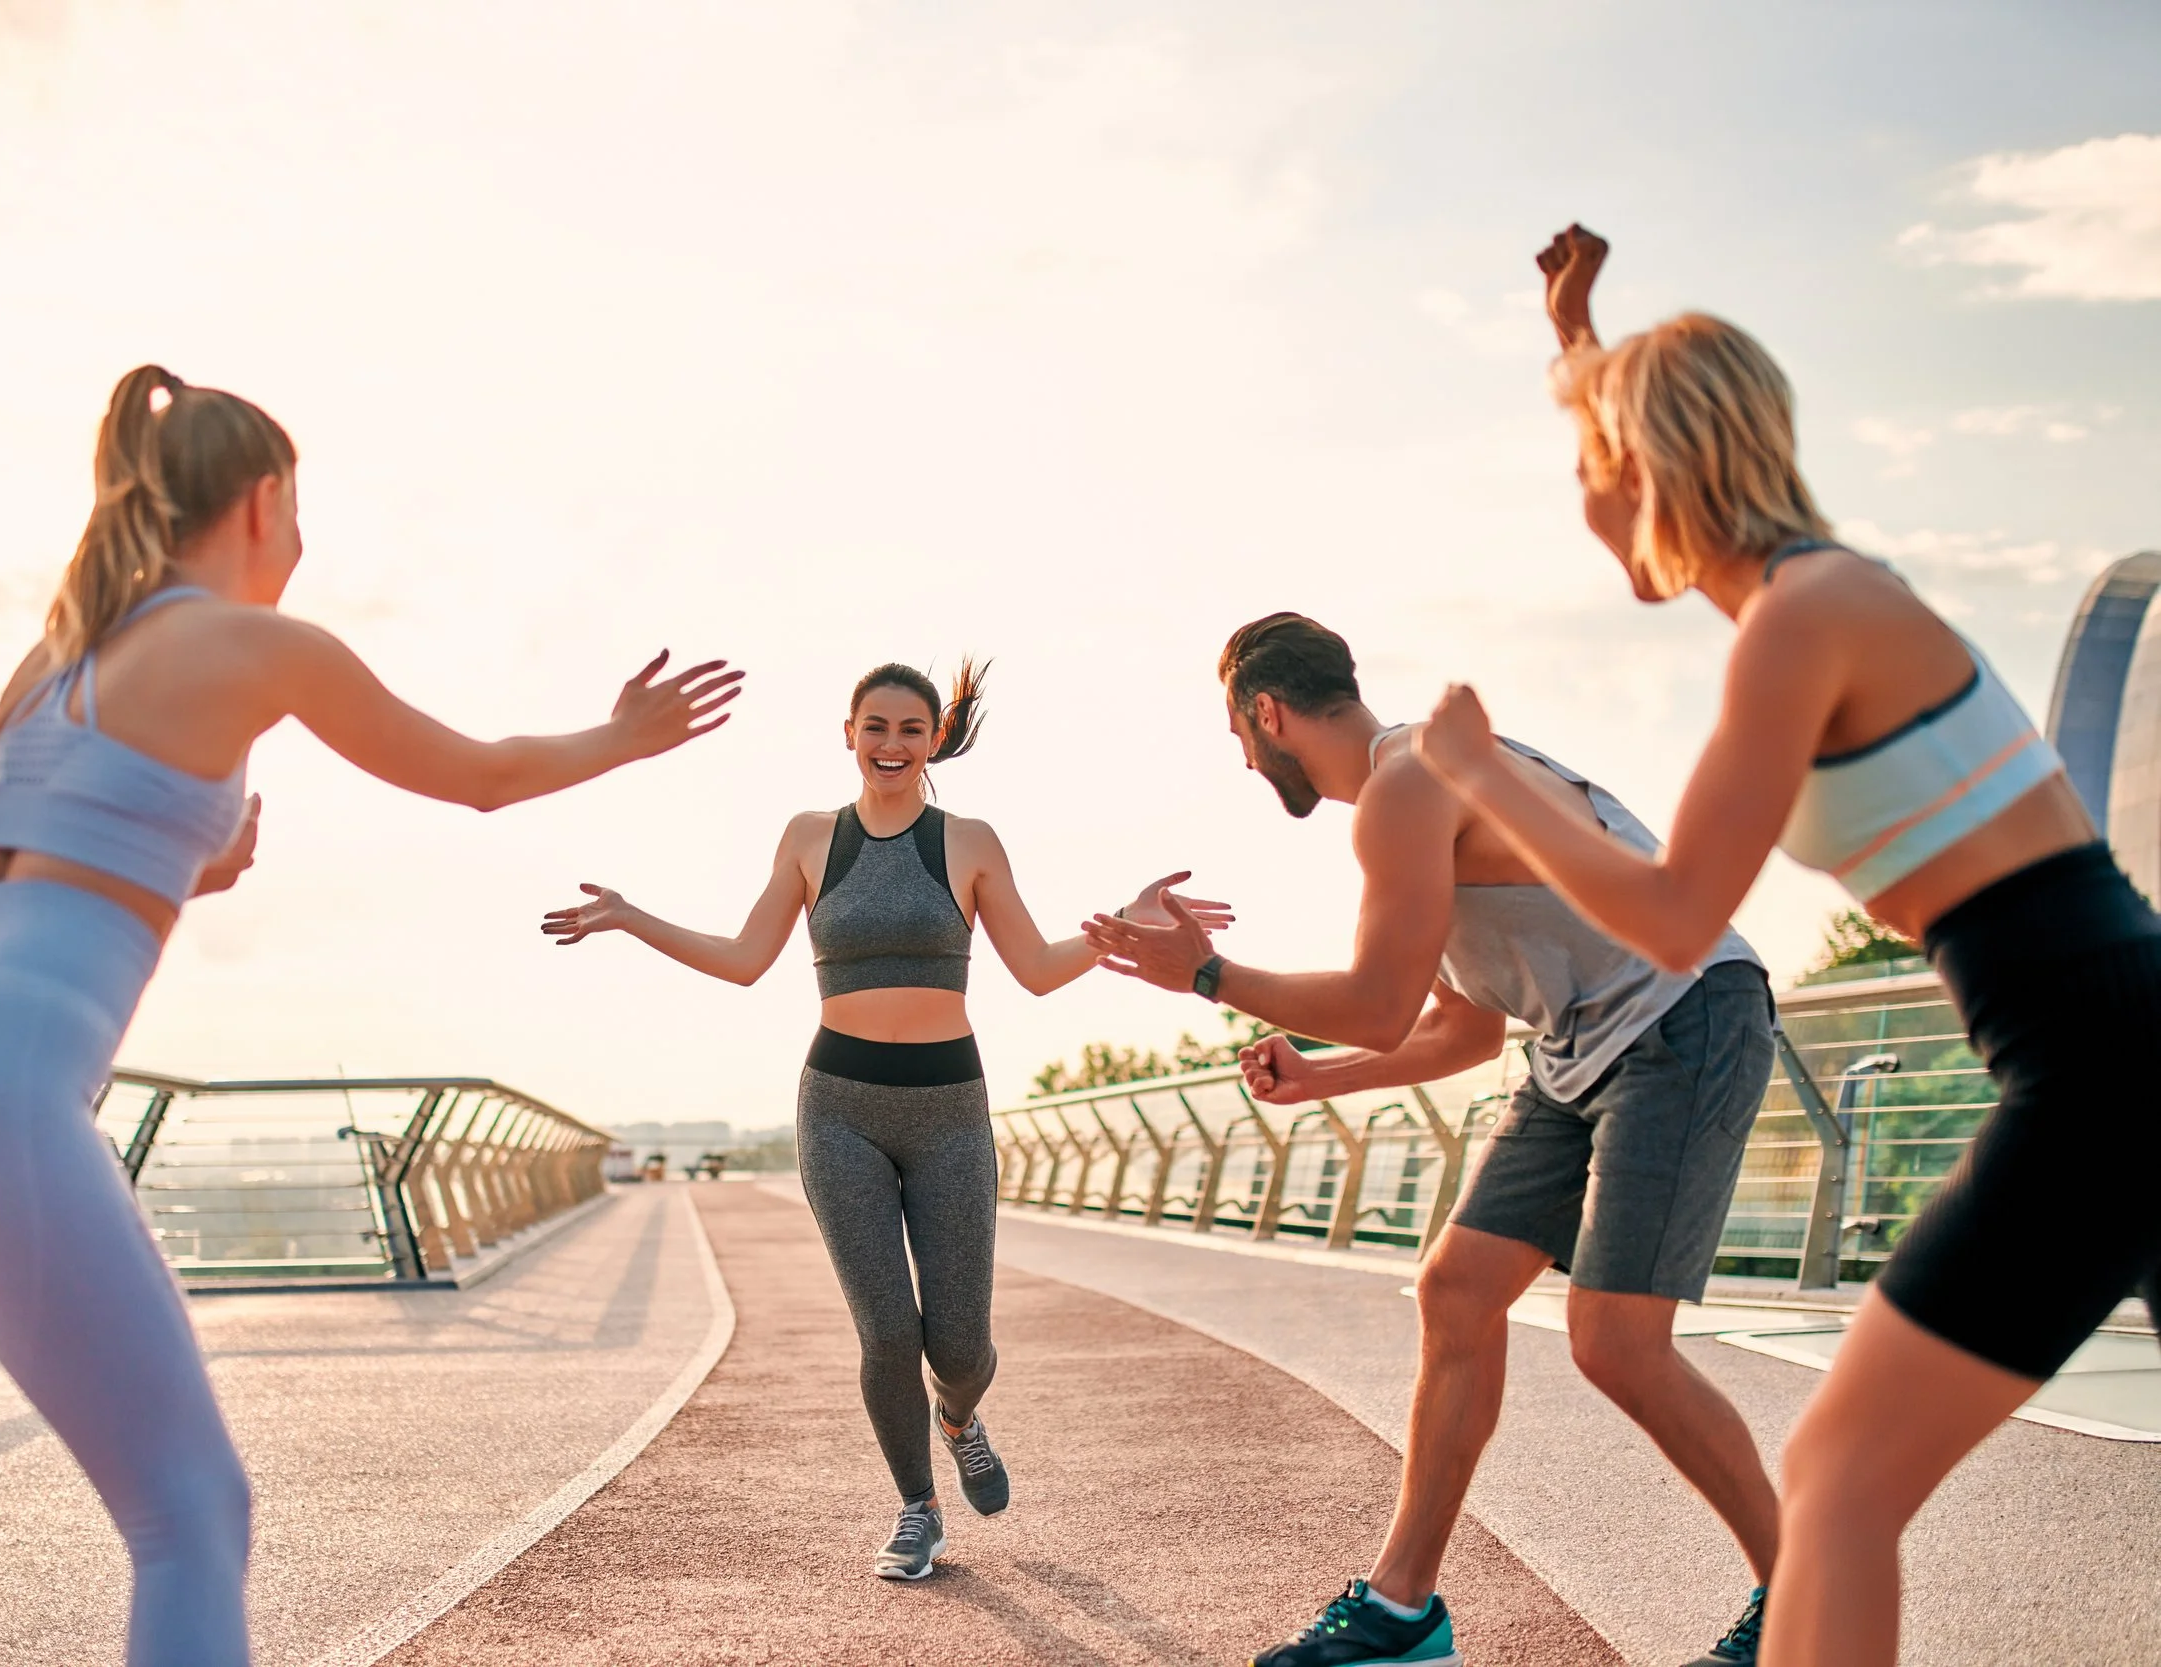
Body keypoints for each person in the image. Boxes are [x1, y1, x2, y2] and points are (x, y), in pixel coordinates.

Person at [0, 365, 740, 1667]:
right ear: (265, 498)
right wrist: (623, 737)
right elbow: (484, 776)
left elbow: (42, 851)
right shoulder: (262, 643)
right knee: (189, 1511)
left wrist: (198, 863)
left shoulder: (51, 655)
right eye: (303, 506)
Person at [1414, 226, 2161, 1667]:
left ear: (1655, 469)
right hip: (2107, 1038)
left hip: (2104, 1068)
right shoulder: (1812, 595)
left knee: (1840, 1478)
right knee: (1841, 1480)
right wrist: (1575, 329)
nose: (1581, 502)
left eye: (1593, 467)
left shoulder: (1802, 623)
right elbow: (1619, 424)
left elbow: (1679, 913)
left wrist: (1480, 773)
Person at [1085, 613, 1779, 1667]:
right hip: (1582, 1041)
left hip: (1683, 1017)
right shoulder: (1411, 789)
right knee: (1455, 1287)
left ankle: (1809, 1599)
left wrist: (1208, 976)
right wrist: (1323, 1075)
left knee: (1615, 1339)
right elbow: (1462, 1024)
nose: (1240, 755)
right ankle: (1403, 1609)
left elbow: (1372, 999)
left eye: (1236, 730)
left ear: (1266, 711)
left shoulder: (1408, 781)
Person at [542, 660, 1229, 1581]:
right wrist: (633, 918)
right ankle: (917, 1507)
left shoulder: (972, 840)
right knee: (885, 1334)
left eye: (910, 729)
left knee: (959, 1345)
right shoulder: (809, 838)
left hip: (950, 1110)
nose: (892, 744)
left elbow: (1032, 964)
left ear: (934, 739)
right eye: (876, 726)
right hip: (839, 1109)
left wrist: (1124, 924)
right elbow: (746, 958)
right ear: (849, 733)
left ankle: (960, 1418)